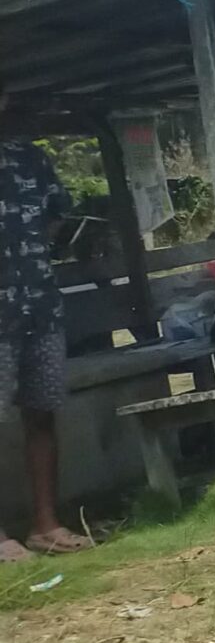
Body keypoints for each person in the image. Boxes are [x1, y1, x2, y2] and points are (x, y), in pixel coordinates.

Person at [0, 89, 87, 560]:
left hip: (39, 306)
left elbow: (58, 215)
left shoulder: (30, 160)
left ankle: (45, 526)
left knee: (42, 412)